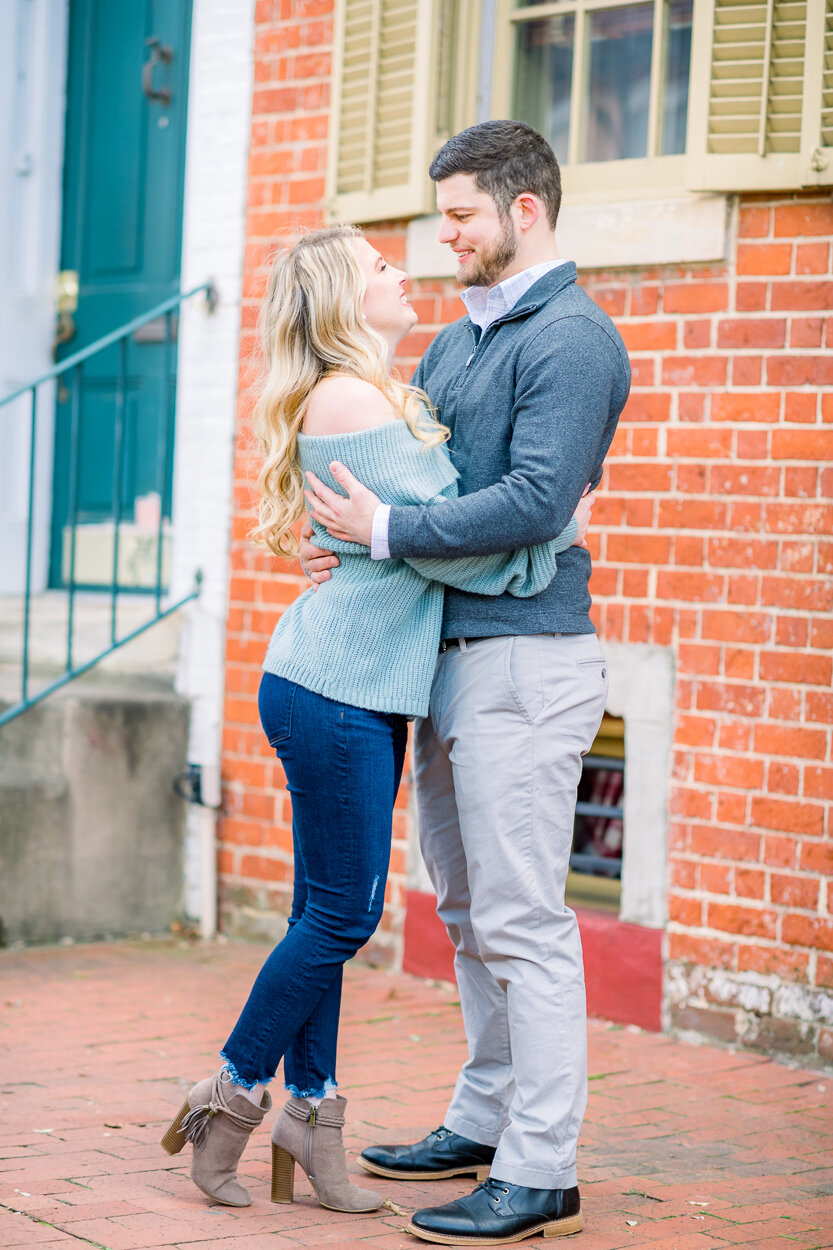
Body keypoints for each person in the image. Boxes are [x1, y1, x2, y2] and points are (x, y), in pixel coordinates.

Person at [159, 221, 589, 1220]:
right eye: (378, 266)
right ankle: (230, 1089)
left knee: (324, 905)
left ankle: (311, 1114)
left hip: (354, 682)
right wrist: (550, 545)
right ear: (342, 305)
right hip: (333, 688)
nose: (402, 271)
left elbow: (409, 532)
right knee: (343, 913)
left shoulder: (392, 391)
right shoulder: (353, 395)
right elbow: (459, 540)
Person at [301, 120, 631, 1246]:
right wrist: (350, 541)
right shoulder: (455, 344)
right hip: (443, 658)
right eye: (441, 218)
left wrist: (389, 529)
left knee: (524, 915)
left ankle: (541, 1167)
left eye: (460, 217)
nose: (443, 237)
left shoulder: (572, 339)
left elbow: (535, 500)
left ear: (523, 210)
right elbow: (420, 481)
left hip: (526, 660)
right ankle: (484, 1117)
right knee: (467, 907)